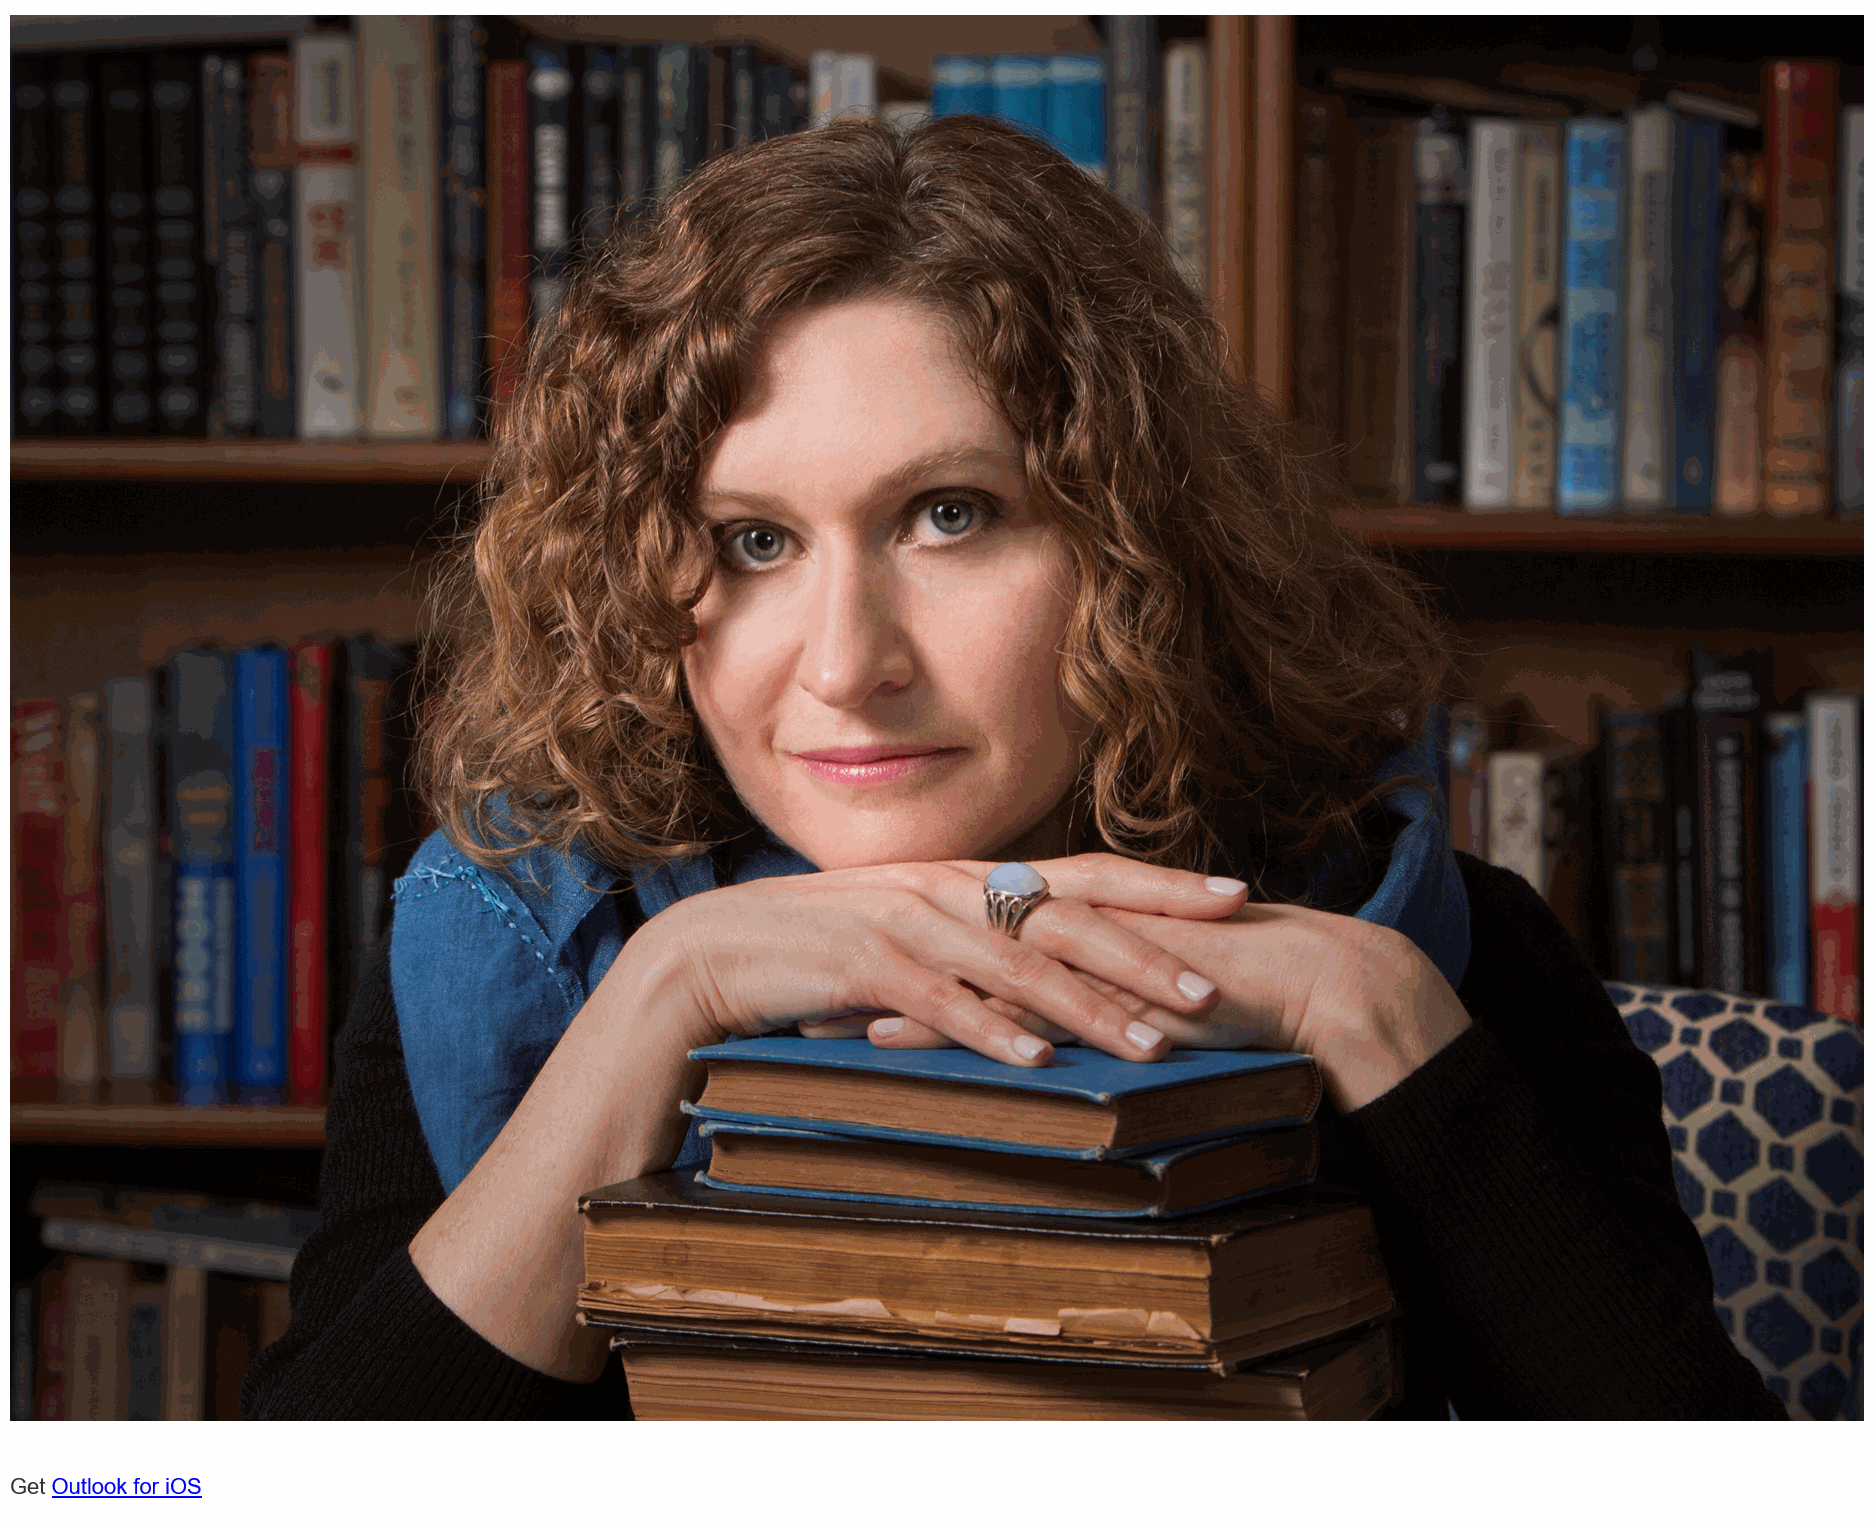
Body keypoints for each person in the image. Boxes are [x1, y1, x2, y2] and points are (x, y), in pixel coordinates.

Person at [243, 116, 1782, 1421]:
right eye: (752, 540)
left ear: (1134, 546)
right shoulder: (509, 936)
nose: (845, 663)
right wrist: (666, 992)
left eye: (949, 515)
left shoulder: (1428, 943)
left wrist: (1372, 1013)